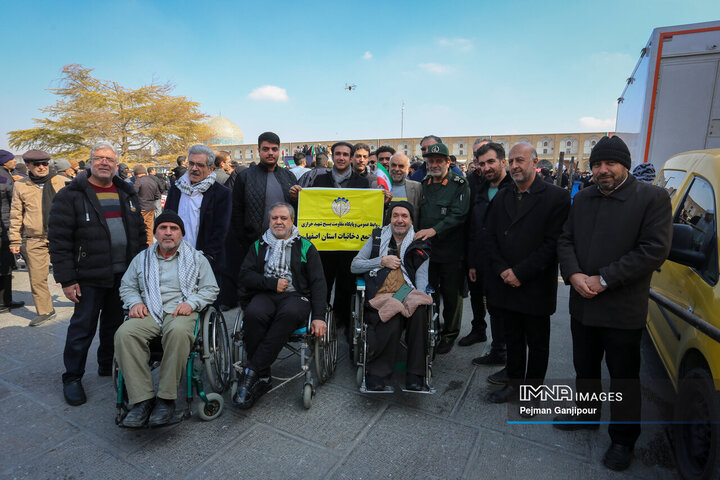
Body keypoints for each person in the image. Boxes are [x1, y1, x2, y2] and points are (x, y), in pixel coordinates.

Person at [555, 136, 672, 471]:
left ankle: (623, 440)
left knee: (623, 377)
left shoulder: (652, 198)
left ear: (625, 164)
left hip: (623, 308)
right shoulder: (584, 197)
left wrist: (604, 278)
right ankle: (587, 415)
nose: (602, 170)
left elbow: (653, 250)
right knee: (585, 367)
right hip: (583, 303)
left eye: (609, 164)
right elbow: (566, 239)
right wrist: (574, 274)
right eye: (596, 164)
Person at [49, 141, 147, 406]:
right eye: (100, 158)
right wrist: (67, 280)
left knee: (115, 326)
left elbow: (139, 233)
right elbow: (59, 241)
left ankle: (107, 365)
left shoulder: (126, 192)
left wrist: (141, 269)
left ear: (116, 165)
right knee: (82, 328)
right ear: (90, 162)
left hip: (122, 276)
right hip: (88, 277)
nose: (105, 163)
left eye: (110, 160)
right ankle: (72, 377)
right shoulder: (71, 195)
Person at [483, 142, 570, 404]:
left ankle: (532, 394)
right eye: (511, 161)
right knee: (514, 339)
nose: (514, 166)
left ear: (535, 162)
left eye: (520, 160)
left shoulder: (557, 197)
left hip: (535, 284)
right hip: (506, 282)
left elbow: (553, 243)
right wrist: (502, 270)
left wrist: (521, 272)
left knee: (537, 342)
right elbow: (490, 236)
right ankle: (513, 385)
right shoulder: (503, 196)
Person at [115, 211, 219, 427]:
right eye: (163, 228)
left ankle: (166, 399)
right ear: (156, 233)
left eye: (174, 228)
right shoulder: (141, 259)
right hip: (150, 311)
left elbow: (211, 289)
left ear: (182, 234)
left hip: (181, 310)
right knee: (124, 334)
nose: (168, 232)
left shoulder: (196, 258)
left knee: (179, 332)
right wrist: (135, 302)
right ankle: (142, 400)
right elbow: (127, 286)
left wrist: (191, 303)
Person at [234, 202, 327, 408]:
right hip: (266, 293)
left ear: (292, 221)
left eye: (283, 218)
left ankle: (252, 371)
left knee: (290, 314)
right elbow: (245, 275)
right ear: (269, 221)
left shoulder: (305, 246)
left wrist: (319, 316)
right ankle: (263, 376)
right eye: (274, 218)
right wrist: (271, 283)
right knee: (253, 314)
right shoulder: (259, 245)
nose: (279, 222)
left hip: (296, 296)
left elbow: (318, 283)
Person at [350, 202, 431, 391]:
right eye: (396, 215)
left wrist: (418, 299)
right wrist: (381, 261)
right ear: (390, 218)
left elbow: (421, 278)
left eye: (405, 216)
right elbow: (354, 265)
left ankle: (415, 374)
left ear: (411, 220)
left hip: (406, 290)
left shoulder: (419, 243)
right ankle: (377, 373)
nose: (400, 220)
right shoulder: (378, 237)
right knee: (392, 313)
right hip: (381, 292)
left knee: (419, 312)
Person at [296, 142, 370, 337]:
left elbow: (366, 214)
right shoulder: (319, 180)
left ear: (351, 157)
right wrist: (296, 197)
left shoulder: (362, 184)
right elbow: (311, 208)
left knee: (347, 286)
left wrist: (384, 202)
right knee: (322, 285)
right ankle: (319, 320)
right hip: (324, 247)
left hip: (350, 246)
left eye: (346, 154)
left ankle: (342, 321)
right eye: (338, 154)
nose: (341, 157)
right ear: (332, 156)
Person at [224, 132, 298, 310]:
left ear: (279, 151)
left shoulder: (289, 177)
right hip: (255, 244)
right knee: (255, 291)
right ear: (258, 151)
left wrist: (296, 199)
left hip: (285, 244)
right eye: (266, 149)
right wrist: (244, 241)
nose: (270, 153)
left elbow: (296, 212)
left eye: (274, 149)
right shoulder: (245, 176)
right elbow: (237, 212)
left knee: (284, 288)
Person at [462, 143, 513, 375]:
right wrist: (472, 262)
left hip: (503, 263)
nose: (486, 167)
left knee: (499, 307)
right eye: (481, 163)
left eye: (491, 162)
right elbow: (474, 227)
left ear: (503, 161)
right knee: (479, 298)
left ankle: (501, 350)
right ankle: (481, 333)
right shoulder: (480, 189)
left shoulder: (514, 188)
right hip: (479, 258)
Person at [415, 143, 470, 354]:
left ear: (448, 162)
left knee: (451, 295)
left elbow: (459, 215)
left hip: (451, 252)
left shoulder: (459, 183)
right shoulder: (426, 182)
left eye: (439, 160)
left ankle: (449, 334)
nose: (435, 164)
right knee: (431, 291)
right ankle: (433, 328)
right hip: (429, 251)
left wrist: (434, 230)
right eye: (431, 161)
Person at [9, 149, 68, 326]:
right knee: (37, 277)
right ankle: (45, 310)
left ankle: (88, 303)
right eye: (37, 164)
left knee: (76, 273)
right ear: (28, 165)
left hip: (62, 236)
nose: (42, 167)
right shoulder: (21, 185)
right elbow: (16, 214)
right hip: (35, 238)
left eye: (45, 163)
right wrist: (15, 239)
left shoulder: (63, 182)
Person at [164, 144, 231, 279]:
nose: (194, 168)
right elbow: (166, 221)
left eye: (200, 165)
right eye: (191, 164)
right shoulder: (176, 189)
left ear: (210, 169)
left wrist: (207, 258)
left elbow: (221, 230)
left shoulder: (221, 194)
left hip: (206, 263)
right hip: (176, 261)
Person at [0, 150, 24, 313]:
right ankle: (4, 302)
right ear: (4, 162)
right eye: (11, 159)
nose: (14, 161)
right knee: (5, 266)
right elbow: (14, 202)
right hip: (4, 227)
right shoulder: (6, 179)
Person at [388, 153, 422, 227]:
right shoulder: (377, 186)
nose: (397, 169)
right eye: (393, 165)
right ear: (389, 167)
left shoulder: (417, 187)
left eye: (401, 166)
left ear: (408, 169)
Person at [133, 164, 161, 246]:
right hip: (151, 208)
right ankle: (149, 245)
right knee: (149, 228)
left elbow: (133, 193)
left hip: (141, 208)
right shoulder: (153, 181)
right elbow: (157, 196)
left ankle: (141, 245)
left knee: (140, 228)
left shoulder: (138, 181)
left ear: (136, 174)